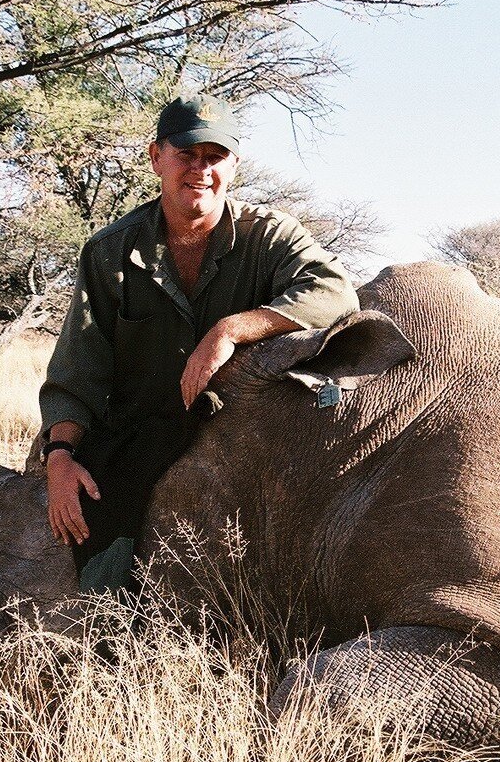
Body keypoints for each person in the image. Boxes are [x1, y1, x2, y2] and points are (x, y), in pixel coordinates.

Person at [38, 94, 358, 587]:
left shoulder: (270, 234)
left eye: (215, 157)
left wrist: (231, 329)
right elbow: (77, 368)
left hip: (250, 435)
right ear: (156, 158)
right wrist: (58, 458)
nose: (201, 170)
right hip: (142, 438)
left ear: (233, 164)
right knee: (99, 574)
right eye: (186, 154)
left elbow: (337, 293)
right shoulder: (110, 252)